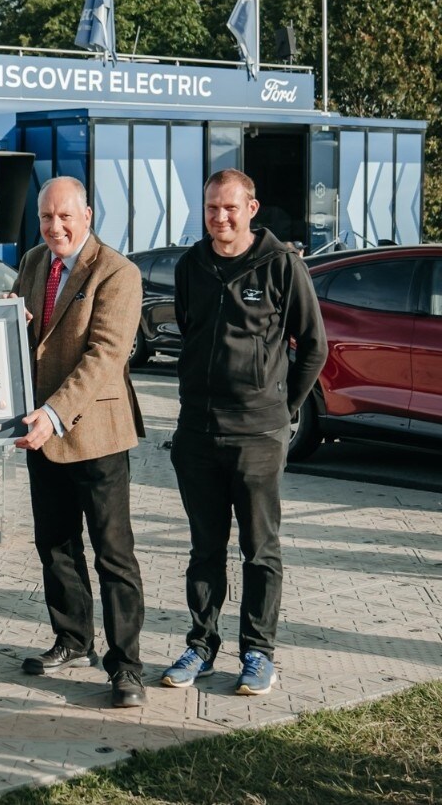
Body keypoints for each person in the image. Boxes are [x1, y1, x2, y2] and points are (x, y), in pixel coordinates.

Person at [162, 169, 327, 696]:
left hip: (258, 434)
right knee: (204, 549)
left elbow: (314, 346)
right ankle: (201, 647)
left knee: (260, 550)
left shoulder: (281, 265)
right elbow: (190, 332)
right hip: (197, 432)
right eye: (212, 207)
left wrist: (281, 409)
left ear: (251, 209)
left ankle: (258, 653)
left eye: (230, 208)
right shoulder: (191, 265)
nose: (220, 217)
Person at [15, 176, 147, 709]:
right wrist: (8, 321)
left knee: (113, 555)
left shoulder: (117, 272)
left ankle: (127, 666)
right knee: (55, 544)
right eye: (46, 217)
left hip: (95, 434)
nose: (55, 227)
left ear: (87, 215)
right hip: (40, 436)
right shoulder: (33, 262)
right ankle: (72, 640)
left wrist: (53, 414)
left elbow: (105, 356)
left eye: (65, 216)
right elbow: (22, 335)